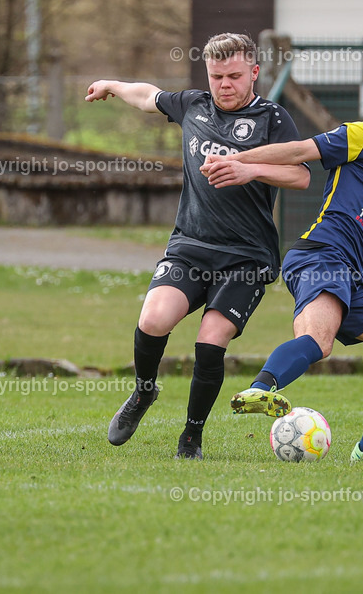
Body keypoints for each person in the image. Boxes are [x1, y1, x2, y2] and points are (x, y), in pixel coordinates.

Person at [85, 33, 309, 459]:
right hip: (191, 246)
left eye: (234, 76)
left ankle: (192, 435)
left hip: (247, 256)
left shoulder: (273, 119)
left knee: (211, 339)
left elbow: (300, 175)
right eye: (216, 76)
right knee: (153, 319)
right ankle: (143, 392)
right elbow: (148, 96)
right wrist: (112, 86)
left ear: (254, 73)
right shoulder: (194, 105)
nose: (224, 84)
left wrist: (248, 169)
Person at [202, 81, 363, 462]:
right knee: (319, 340)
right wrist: (244, 162)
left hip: (359, 281)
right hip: (321, 256)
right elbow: (301, 150)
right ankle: (260, 389)